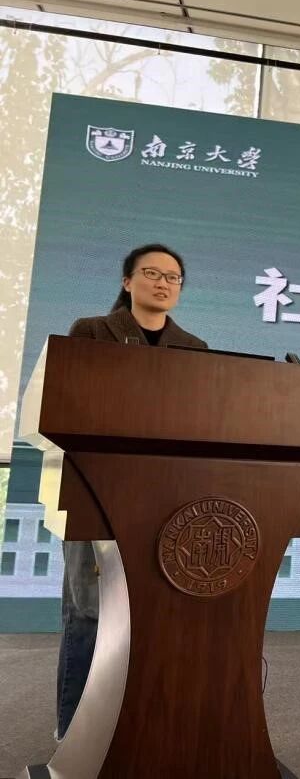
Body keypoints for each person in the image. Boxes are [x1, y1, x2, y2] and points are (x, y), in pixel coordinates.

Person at [57, 244, 207, 739]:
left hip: (165, 496)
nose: (163, 283)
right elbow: (73, 402)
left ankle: (139, 725)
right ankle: (74, 733)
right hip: (94, 489)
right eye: (152, 273)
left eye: (173, 277)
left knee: (155, 614)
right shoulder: (91, 332)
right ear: (127, 282)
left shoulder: (194, 347)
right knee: (88, 612)